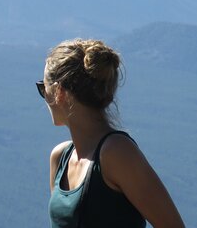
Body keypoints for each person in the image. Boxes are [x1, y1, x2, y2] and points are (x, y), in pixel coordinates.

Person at [36, 39, 184, 228]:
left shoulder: (117, 152)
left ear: (59, 92)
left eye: (43, 89)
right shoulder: (59, 157)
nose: (44, 97)